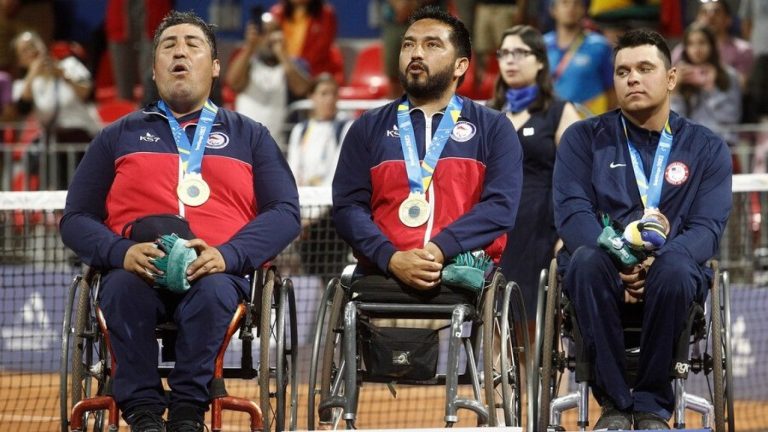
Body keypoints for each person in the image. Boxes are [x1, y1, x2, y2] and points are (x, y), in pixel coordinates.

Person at [60, 10, 300, 432]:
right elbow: (76, 218)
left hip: (216, 274)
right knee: (118, 288)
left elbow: (284, 212)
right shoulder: (117, 135)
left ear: (216, 67)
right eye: (169, 46)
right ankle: (143, 413)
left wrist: (229, 255)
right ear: (154, 70)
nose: (180, 53)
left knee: (212, 294)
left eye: (193, 45)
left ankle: (189, 410)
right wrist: (121, 252)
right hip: (137, 269)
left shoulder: (251, 135)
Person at [553, 29, 732, 430]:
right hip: (600, 272)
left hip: (672, 275)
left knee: (674, 269)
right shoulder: (582, 139)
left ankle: (652, 406)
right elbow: (572, 215)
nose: (632, 78)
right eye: (622, 71)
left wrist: (658, 261)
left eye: (645, 68)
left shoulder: (707, 147)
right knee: (583, 262)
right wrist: (622, 259)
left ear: (671, 77)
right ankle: (615, 407)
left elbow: (707, 228)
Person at [333, 6, 522, 291]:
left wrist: (438, 250)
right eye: (408, 44)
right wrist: (392, 257)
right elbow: (348, 208)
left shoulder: (493, 127)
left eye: (431, 44)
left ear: (460, 65)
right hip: (384, 270)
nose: (416, 53)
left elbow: (500, 207)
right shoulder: (367, 127)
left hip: (461, 269)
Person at [488, 25, 580, 322]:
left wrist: (568, 232)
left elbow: (576, 177)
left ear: (540, 60)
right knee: (496, 320)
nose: (510, 61)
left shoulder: (560, 111)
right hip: (496, 229)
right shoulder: (489, 115)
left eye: (520, 53)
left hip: (543, 227)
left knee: (539, 320)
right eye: (504, 53)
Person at [11, 30, 102, 189]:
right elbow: (22, 107)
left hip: (82, 140)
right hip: (53, 146)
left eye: (34, 44)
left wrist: (62, 75)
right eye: (25, 50)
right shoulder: (22, 85)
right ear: (19, 61)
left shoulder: (69, 65)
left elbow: (87, 93)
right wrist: (34, 72)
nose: (32, 50)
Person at [288, 73, 352, 280]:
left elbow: (336, 175)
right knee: (308, 279)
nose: (329, 99)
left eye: (333, 94)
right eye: (323, 93)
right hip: (303, 214)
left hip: (330, 218)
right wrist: (299, 213)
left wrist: (308, 219)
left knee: (333, 277)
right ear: (312, 97)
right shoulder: (300, 129)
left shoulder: (345, 128)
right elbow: (293, 171)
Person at [225, 11, 311, 151]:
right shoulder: (247, 61)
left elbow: (302, 89)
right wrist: (250, 46)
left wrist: (282, 54)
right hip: (243, 145)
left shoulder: (293, 64)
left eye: (273, 32)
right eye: (263, 32)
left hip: (276, 146)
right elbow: (233, 83)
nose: (268, 38)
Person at [671, 24, 741, 147]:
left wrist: (711, 88)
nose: (696, 49)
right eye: (690, 44)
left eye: (702, 43)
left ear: (712, 46)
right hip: (690, 146)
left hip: (723, 144)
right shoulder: (680, 75)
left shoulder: (729, 75)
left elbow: (730, 116)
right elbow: (674, 123)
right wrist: (675, 91)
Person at [544, 0, 616, 115]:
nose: (571, 8)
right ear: (553, 10)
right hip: (550, 123)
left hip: (588, 123)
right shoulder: (541, 45)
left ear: (585, 10)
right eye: (565, 3)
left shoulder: (600, 46)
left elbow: (613, 91)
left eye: (577, 3)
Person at [672, 0, 752, 89]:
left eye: (716, 12)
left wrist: (717, 74)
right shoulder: (682, 50)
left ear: (728, 19)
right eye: (704, 12)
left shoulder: (742, 50)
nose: (710, 16)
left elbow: (742, 86)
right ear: (697, 19)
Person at [269, 0, 342, 81]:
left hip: (313, 73)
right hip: (280, 71)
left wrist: (298, 70)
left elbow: (321, 50)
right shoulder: (277, 13)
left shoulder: (326, 14)